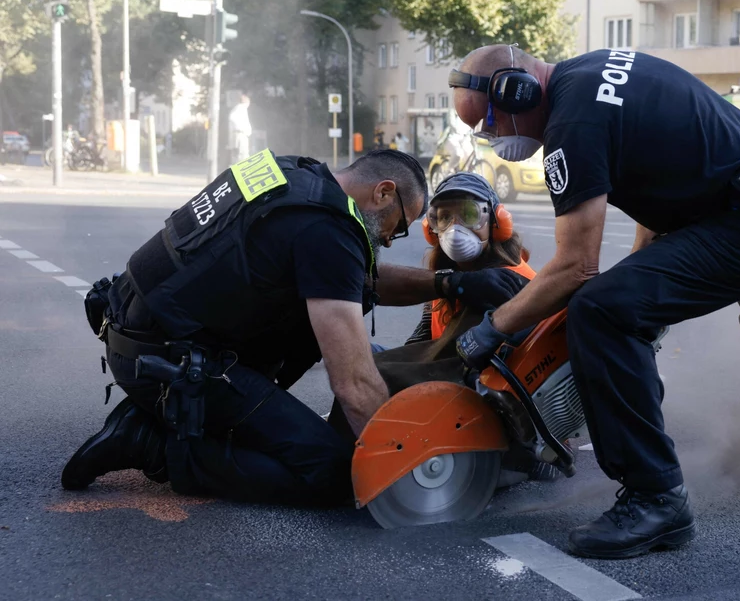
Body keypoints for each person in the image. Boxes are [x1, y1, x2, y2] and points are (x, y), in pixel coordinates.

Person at [448, 45, 740, 558]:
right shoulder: (595, 68)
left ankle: (656, 500)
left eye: (492, 124)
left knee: (601, 312)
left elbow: (575, 267)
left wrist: (493, 328)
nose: (494, 138)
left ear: (517, 89)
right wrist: (638, 277)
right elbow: (659, 175)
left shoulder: (572, 125)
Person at [61, 148, 530, 506]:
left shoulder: (295, 177)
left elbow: (349, 280)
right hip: (175, 363)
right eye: (399, 225)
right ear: (383, 193)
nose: (390, 238)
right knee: (335, 473)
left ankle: (159, 417)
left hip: (143, 339)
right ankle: (152, 445)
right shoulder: (325, 230)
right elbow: (353, 381)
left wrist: (450, 284)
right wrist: (403, 459)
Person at [404, 171, 535, 346]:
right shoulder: (447, 274)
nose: (455, 228)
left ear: (496, 223)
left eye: (470, 215)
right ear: (432, 228)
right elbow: (423, 337)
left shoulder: (506, 283)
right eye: (444, 217)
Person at [228, 94, 252, 164]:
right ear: (246, 102)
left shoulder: (238, 108)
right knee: (242, 155)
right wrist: (241, 128)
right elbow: (232, 118)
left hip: (239, 134)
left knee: (238, 155)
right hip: (240, 134)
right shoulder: (241, 108)